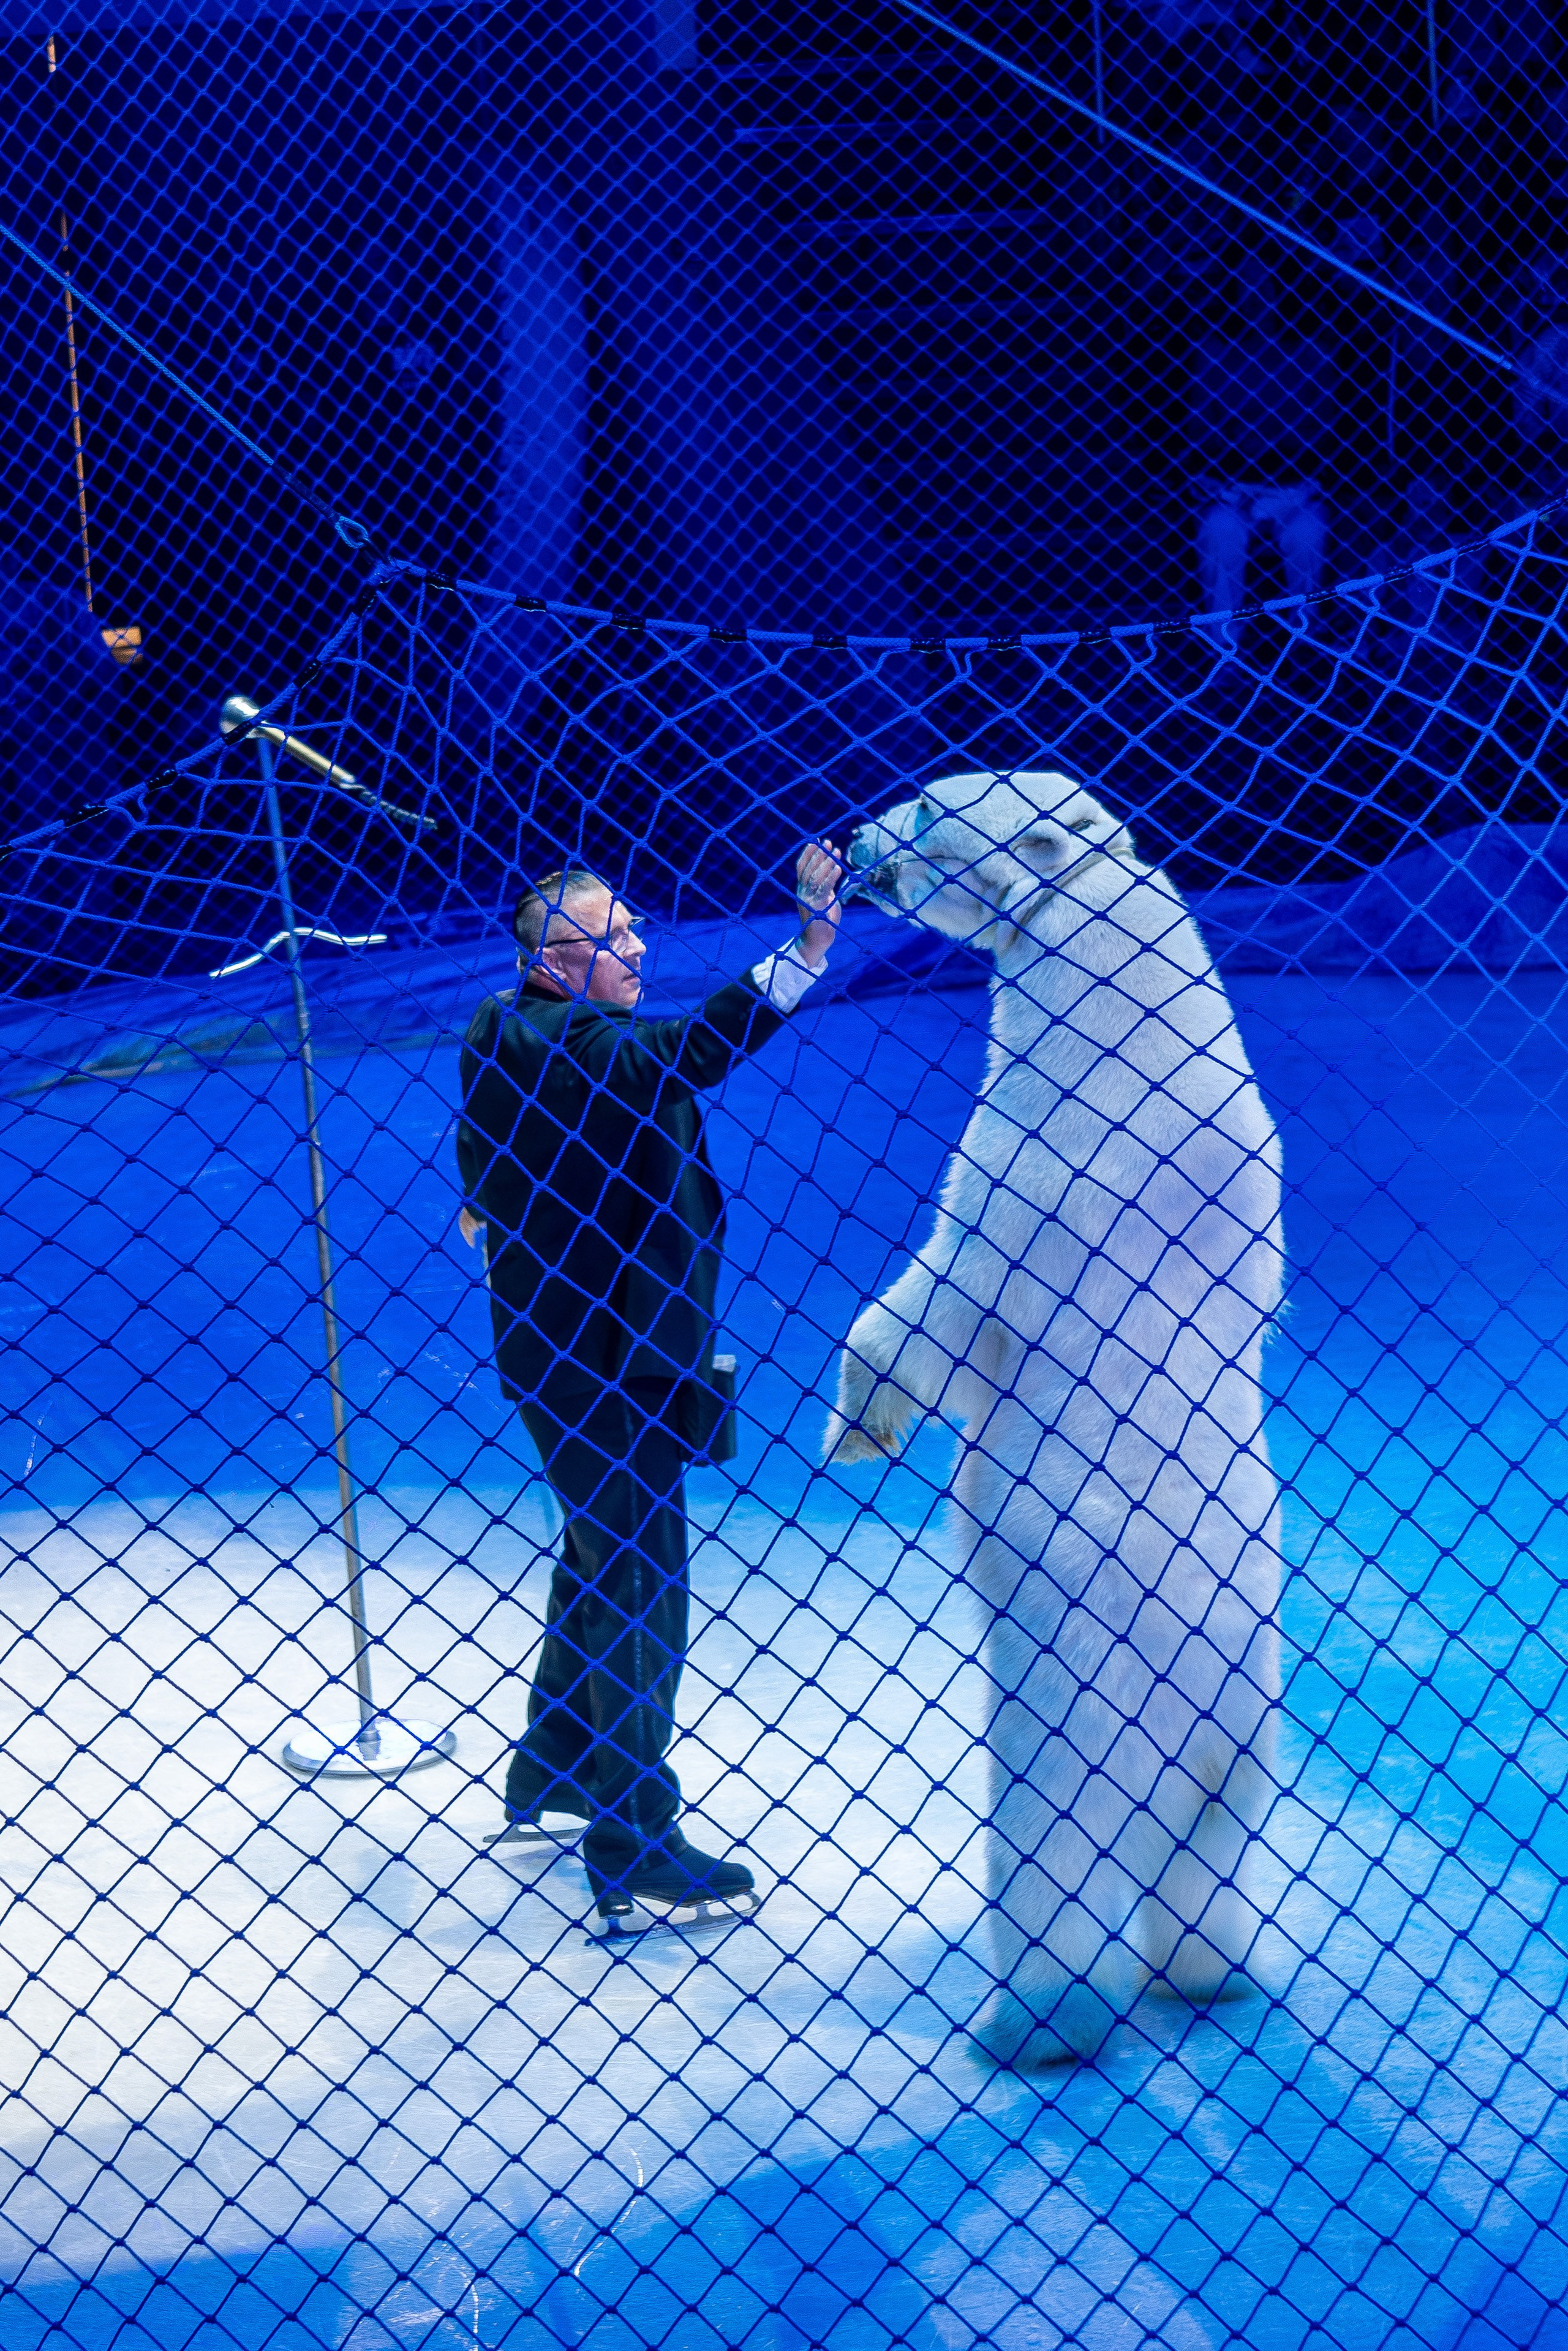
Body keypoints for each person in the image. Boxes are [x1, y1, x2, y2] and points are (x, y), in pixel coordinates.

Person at [455, 843, 842, 1926]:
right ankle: (633, 1837)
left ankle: (558, 1769)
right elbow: (685, 1053)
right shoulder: (582, 1047)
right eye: (606, 941)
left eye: (633, 931)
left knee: (598, 1559)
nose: (633, 950)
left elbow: (483, 1144)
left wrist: (487, 1198)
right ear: (550, 960)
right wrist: (806, 950)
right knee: (642, 1585)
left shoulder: (500, 1023)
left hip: (568, 1344)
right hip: (610, 1358)